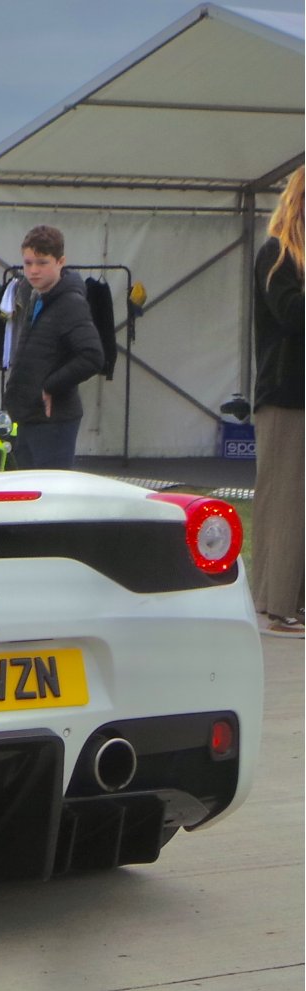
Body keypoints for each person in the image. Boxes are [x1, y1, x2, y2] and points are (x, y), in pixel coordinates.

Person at [250, 165, 304, 638]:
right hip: (286, 396)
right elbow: (291, 315)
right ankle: (279, 604)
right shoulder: (277, 256)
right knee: (285, 501)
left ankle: (286, 599)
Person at [2, 226, 104, 469]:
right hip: (29, 415)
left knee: (51, 497)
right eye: (27, 263)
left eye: (42, 262)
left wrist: (50, 386)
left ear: (60, 262)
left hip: (53, 419)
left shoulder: (71, 303)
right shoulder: (33, 294)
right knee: (31, 494)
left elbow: (92, 356)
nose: (33, 270)